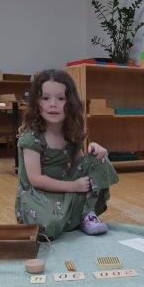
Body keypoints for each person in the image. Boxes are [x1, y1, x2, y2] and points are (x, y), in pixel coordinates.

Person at [15, 69, 119, 239]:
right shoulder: (31, 138)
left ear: (70, 102)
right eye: (45, 98)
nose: (53, 104)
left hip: (65, 188)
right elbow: (36, 180)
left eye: (61, 98)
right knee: (49, 225)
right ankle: (73, 216)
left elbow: (81, 165)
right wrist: (73, 186)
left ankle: (87, 213)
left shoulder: (70, 132)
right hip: (38, 195)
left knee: (98, 158)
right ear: (36, 103)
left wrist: (94, 149)